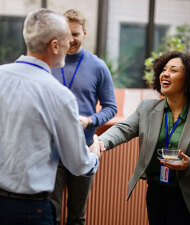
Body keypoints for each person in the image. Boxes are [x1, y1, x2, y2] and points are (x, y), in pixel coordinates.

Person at [0, 8, 102, 225]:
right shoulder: (60, 96)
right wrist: (94, 156)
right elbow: (77, 164)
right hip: (29, 212)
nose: (68, 45)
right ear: (54, 46)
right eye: (65, 40)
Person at [98, 51, 190, 225]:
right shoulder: (146, 108)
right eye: (164, 69)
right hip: (156, 193)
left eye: (174, 70)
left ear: (189, 79)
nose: (165, 74)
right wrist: (101, 141)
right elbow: (123, 129)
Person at [49, 9, 117, 225]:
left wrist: (90, 120)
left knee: (77, 216)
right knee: (51, 212)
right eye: (66, 33)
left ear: (84, 34)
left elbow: (110, 107)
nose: (70, 39)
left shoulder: (98, 66)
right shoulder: (48, 62)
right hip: (51, 150)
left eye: (75, 34)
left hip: (83, 148)